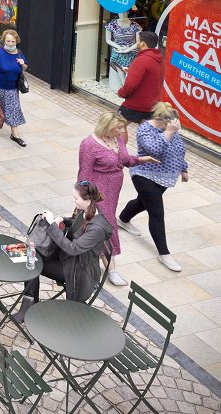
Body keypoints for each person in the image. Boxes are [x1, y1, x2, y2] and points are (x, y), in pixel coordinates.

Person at [78, 113, 160, 286]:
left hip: (114, 189)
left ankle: (88, 254)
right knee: (107, 225)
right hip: (98, 191)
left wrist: (140, 160)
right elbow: (84, 175)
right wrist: (85, 198)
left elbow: (124, 160)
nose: (123, 131)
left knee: (99, 224)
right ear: (107, 127)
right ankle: (111, 269)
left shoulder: (118, 138)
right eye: (119, 127)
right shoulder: (89, 144)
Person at [17, 181, 113, 320]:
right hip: (67, 259)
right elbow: (76, 223)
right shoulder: (87, 211)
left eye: (76, 198)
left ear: (88, 200)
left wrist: (51, 225)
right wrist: (62, 219)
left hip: (78, 271)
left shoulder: (97, 229)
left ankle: (28, 308)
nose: (73, 200)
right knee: (31, 255)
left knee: (33, 263)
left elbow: (72, 248)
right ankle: (29, 305)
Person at [118, 102, 189, 272]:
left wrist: (184, 168)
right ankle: (164, 253)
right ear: (162, 121)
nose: (174, 128)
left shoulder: (170, 130)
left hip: (163, 177)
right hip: (144, 174)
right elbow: (153, 150)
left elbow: (178, 149)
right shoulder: (145, 130)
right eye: (171, 125)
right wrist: (169, 132)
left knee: (142, 202)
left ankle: (122, 219)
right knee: (156, 211)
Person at [116, 31, 164, 124]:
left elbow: (130, 85)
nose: (136, 43)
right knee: (146, 131)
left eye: (137, 41)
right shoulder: (159, 59)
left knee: (118, 126)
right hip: (153, 105)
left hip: (135, 105)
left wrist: (121, 93)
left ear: (142, 43)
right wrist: (131, 71)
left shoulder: (140, 60)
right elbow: (151, 76)